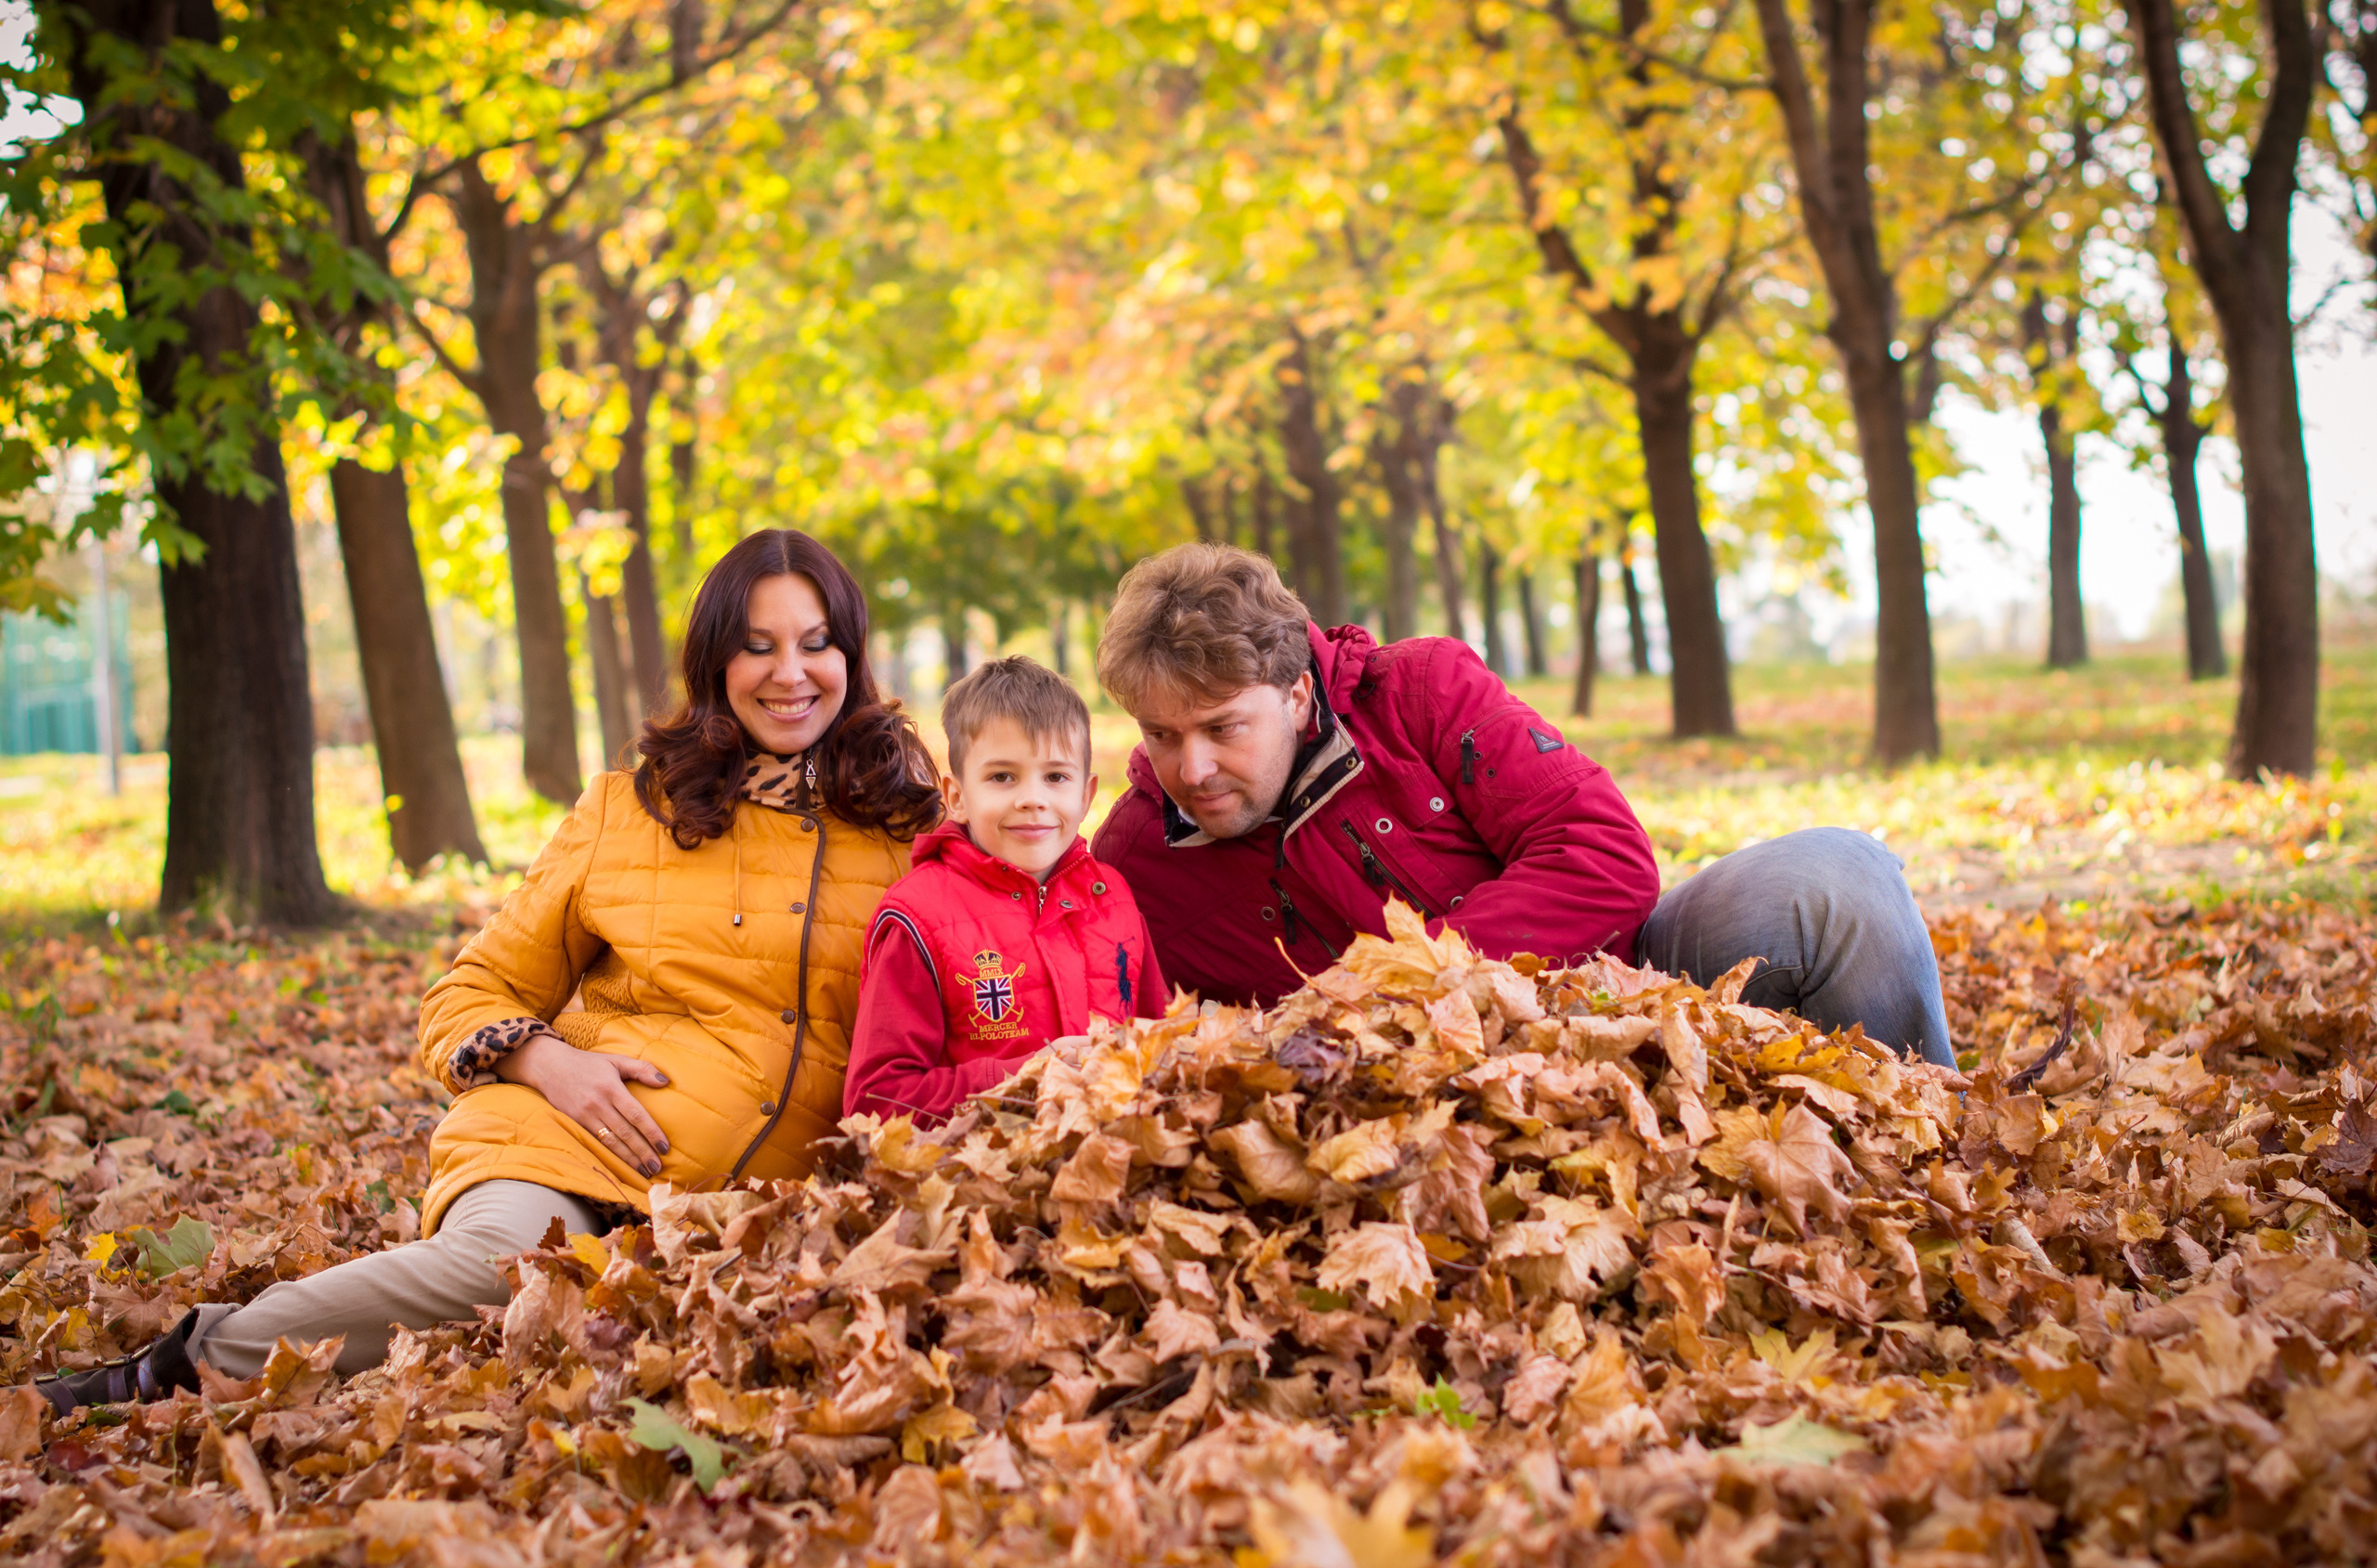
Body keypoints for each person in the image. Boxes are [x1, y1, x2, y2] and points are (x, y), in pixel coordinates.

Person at [38, 529, 941, 1411]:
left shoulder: (912, 834)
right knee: (505, 1271)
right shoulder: (628, 814)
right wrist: (549, 1061)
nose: (791, 673)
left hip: (743, 1218)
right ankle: (180, 1361)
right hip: (558, 1150)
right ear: (716, 665)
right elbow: (468, 994)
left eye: (816, 644)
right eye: (759, 648)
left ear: (851, 660)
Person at [1089, 543, 1955, 1069]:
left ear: (1295, 694)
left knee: (1839, 877)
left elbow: (1606, 856)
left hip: (1621, 990)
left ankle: (1932, 1149)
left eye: (1221, 728)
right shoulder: (1136, 857)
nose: (1191, 767)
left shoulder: (1418, 691)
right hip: (1407, 1116)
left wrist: (1416, 981)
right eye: (1160, 734)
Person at [844, 656, 1166, 1123]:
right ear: (956, 797)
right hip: (979, 1184)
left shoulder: (1112, 897)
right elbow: (874, 1100)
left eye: (1055, 776)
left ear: (1086, 795)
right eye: (1002, 777)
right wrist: (1027, 1078)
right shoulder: (917, 917)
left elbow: (1158, 1042)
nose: (1032, 798)